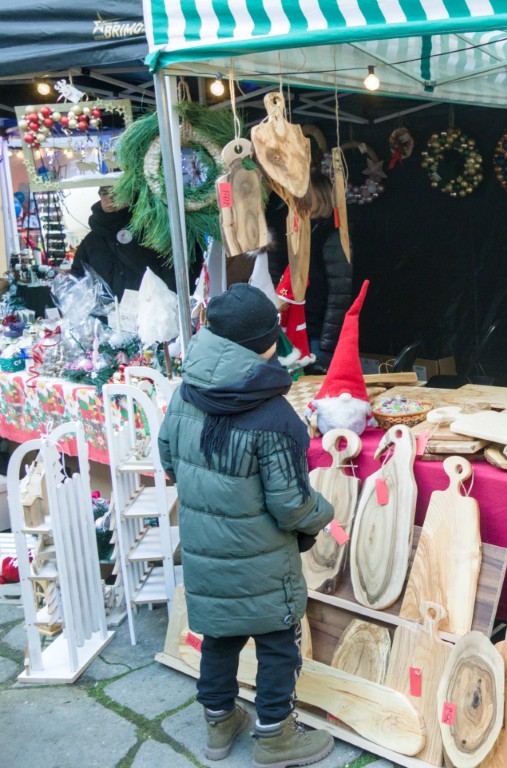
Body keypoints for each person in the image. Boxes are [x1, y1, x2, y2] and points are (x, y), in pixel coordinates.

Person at [158, 284, 335, 767]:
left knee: (219, 637)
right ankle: (276, 736)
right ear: (267, 343)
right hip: (263, 562)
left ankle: (219, 724)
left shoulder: (185, 393)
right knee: (278, 643)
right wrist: (325, 513)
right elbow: (292, 506)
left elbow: (169, 460)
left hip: (205, 552)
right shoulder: (274, 415)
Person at [269, 173, 354, 370]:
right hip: (287, 325)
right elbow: (273, 275)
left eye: (305, 192)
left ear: (322, 196)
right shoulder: (285, 228)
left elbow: (339, 294)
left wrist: (328, 342)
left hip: (316, 331)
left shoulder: (332, 234)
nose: (298, 197)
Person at [71, 185, 178, 300]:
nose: (111, 199)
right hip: (106, 310)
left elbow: (171, 269)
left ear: (129, 195)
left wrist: (165, 301)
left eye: (117, 192)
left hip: (151, 307)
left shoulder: (151, 231)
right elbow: (77, 278)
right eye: (105, 193)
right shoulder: (91, 241)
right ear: (100, 196)